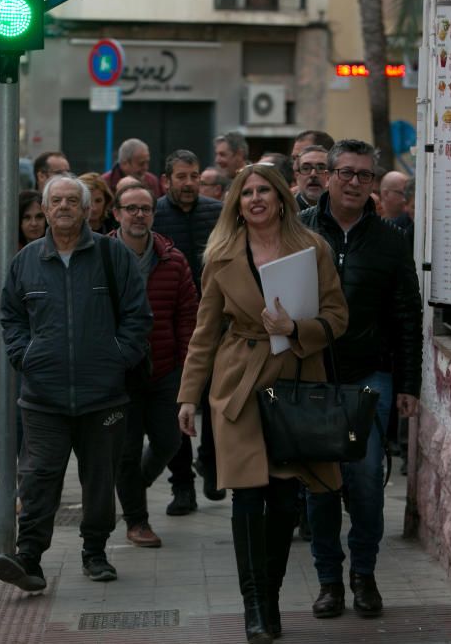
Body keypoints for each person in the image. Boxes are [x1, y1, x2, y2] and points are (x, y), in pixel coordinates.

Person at [176, 164, 348, 643]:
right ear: (236, 203)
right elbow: (204, 333)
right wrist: (188, 397)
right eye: (245, 192)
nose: (255, 199)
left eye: (263, 191)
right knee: (248, 495)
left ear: (279, 199)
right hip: (239, 386)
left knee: (283, 496)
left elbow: (338, 316)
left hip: (294, 382)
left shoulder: (313, 250)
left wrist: (295, 329)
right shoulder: (221, 256)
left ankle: (270, 598)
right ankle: (255, 607)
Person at [0, 173, 152, 590]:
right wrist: (23, 355)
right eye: (56, 201)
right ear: (44, 210)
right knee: (38, 478)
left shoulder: (112, 255)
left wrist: (118, 358)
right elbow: (9, 316)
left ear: (87, 210)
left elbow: (138, 315)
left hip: (104, 397)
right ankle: (29, 559)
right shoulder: (25, 260)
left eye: (72, 201)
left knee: (99, 479)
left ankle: (95, 552)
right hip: (42, 397)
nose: (63, 207)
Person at [299, 140, 422, 620]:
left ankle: (363, 575)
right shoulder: (300, 231)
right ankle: (329, 580)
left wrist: (409, 384)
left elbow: (408, 317)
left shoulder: (391, 239)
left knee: (368, 480)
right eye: (345, 172)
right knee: (321, 486)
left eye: (364, 175)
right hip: (312, 377)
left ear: (373, 182)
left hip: (371, 378)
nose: (354, 182)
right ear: (327, 175)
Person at [109, 182, 198, 548]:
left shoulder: (173, 260)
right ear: (116, 214)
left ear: (153, 214)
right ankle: (136, 520)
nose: (138, 215)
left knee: (169, 440)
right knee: (125, 450)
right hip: (119, 374)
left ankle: (138, 483)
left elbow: (188, 317)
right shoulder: (101, 257)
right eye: (130, 208)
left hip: (164, 369)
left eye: (145, 208)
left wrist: (186, 367)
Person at [153, 149, 224, 512]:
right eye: (181, 177)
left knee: (216, 403)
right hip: (172, 328)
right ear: (167, 181)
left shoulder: (216, 213)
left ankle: (212, 466)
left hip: (216, 325)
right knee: (178, 406)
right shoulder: (156, 214)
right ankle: (182, 485)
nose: (189, 183)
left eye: (194, 176)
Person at [0, 190, 46, 320]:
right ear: (18, 220)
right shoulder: (7, 253)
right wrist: (12, 325)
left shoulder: (57, 249)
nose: (34, 223)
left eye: (39, 217)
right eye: (27, 217)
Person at [293, 145, 330, 210]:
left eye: (321, 168)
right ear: (297, 176)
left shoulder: (343, 209)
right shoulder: (284, 211)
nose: (313, 174)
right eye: (306, 168)